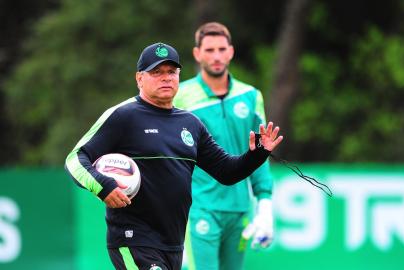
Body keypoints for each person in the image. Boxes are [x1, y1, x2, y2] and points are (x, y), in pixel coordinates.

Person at [65, 42, 283, 270]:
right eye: (156, 72)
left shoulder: (190, 123)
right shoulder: (123, 116)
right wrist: (104, 186)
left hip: (173, 243)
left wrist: (257, 154)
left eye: (171, 72)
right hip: (134, 238)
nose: (166, 78)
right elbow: (75, 160)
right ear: (139, 78)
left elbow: (226, 172)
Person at [173, 22, 275, 270]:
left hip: (239, 209)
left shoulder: (250, 96)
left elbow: (260, 154)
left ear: (231, 51)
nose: (216, 56)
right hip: (200, 207)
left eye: (221, 49)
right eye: (209, 50)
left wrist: (264, 206)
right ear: (197, 54)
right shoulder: (181, 95)